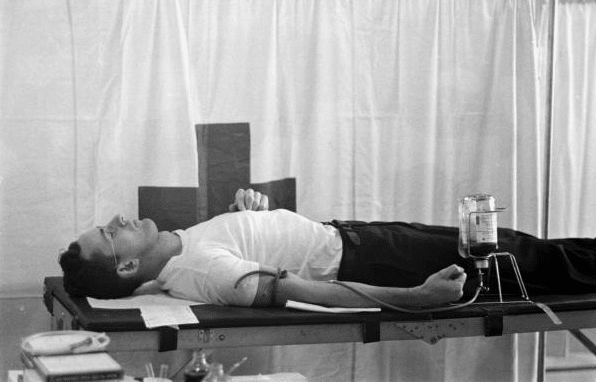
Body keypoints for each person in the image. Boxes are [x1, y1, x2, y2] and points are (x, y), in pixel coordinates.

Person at [59, 189, 596, 309]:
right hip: (372, 260)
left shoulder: (181, 252)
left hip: (357, 235)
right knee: (530, 262)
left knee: (527, 249)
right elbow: (304, 291)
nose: (119, 219)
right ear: (127, 263)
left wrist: (253, 213)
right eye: (110, 233)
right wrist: (416, 296)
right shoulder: (199, 270)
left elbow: (267, 248)